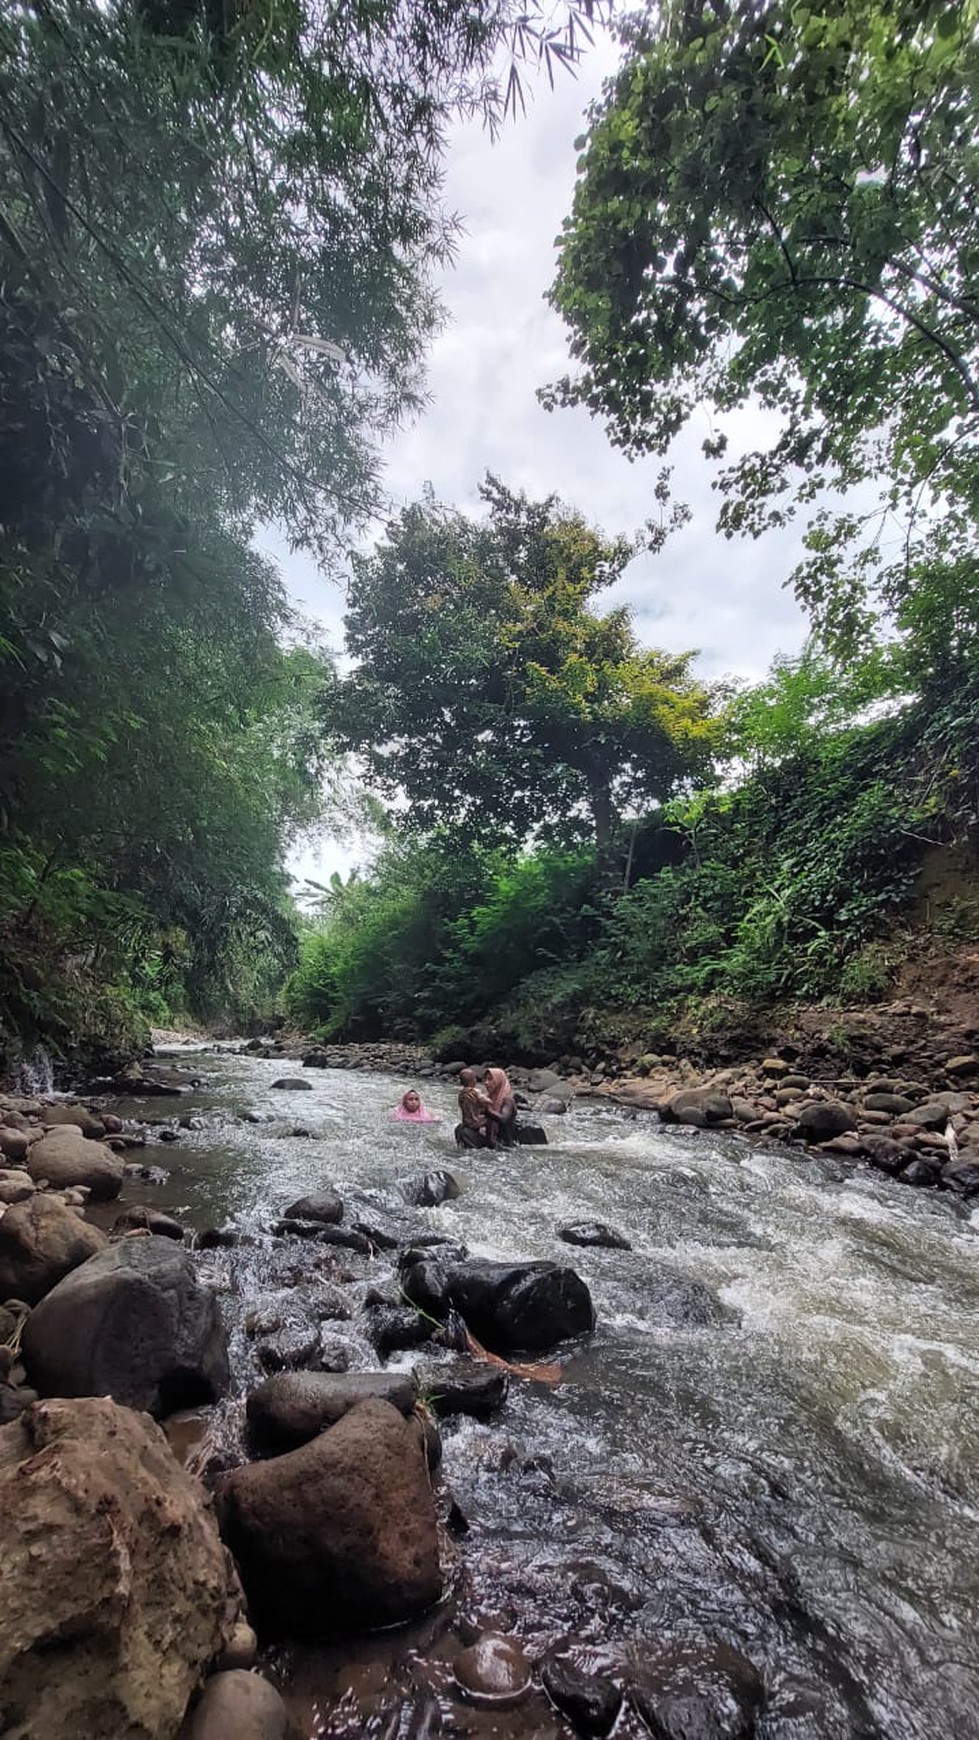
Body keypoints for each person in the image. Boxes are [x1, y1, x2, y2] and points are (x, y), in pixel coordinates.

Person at [455, 1067, 493, 1149]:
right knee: (489, 1119)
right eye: (475, 1078)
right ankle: (490, 1139)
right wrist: (490, 1100)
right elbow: (487, 1101)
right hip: (475, 1121)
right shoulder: (475, 1091)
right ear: (473, 1080)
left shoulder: (461, 1093)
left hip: (466, 1121)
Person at [484, 1066, 518, 1147]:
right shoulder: (488, 1097)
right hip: (490, 1139)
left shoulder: (508, 1100)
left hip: (504, 1144)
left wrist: (487, 1110)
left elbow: (503, 1119)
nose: (486, 1082)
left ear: (499, 1081)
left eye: (490, 1079)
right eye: (485, 1079)